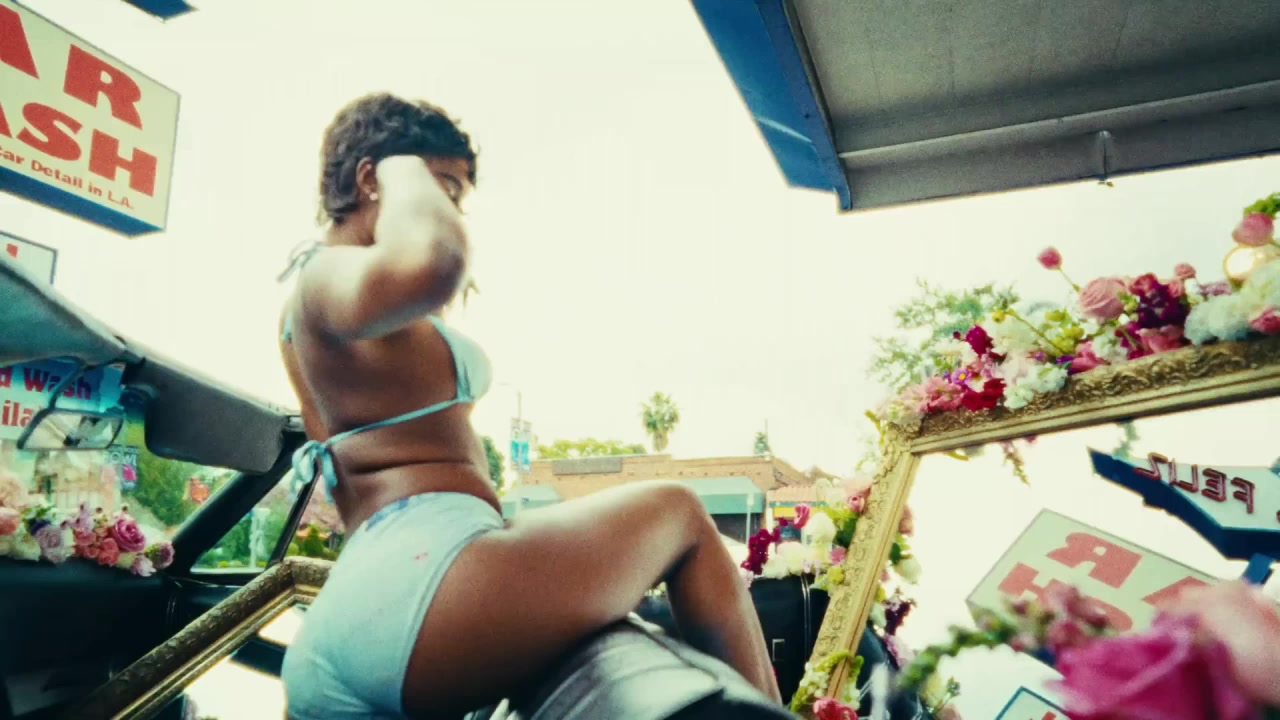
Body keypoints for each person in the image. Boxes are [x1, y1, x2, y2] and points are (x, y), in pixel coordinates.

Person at [278, 93, 779, 719]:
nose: (449, 209)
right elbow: (433, 261)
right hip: (420, 589)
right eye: (445, 189)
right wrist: (400, 166)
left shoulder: (323, 303)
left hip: (384, 600)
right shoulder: (324, 277)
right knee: (678, 513)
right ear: (369, 179)